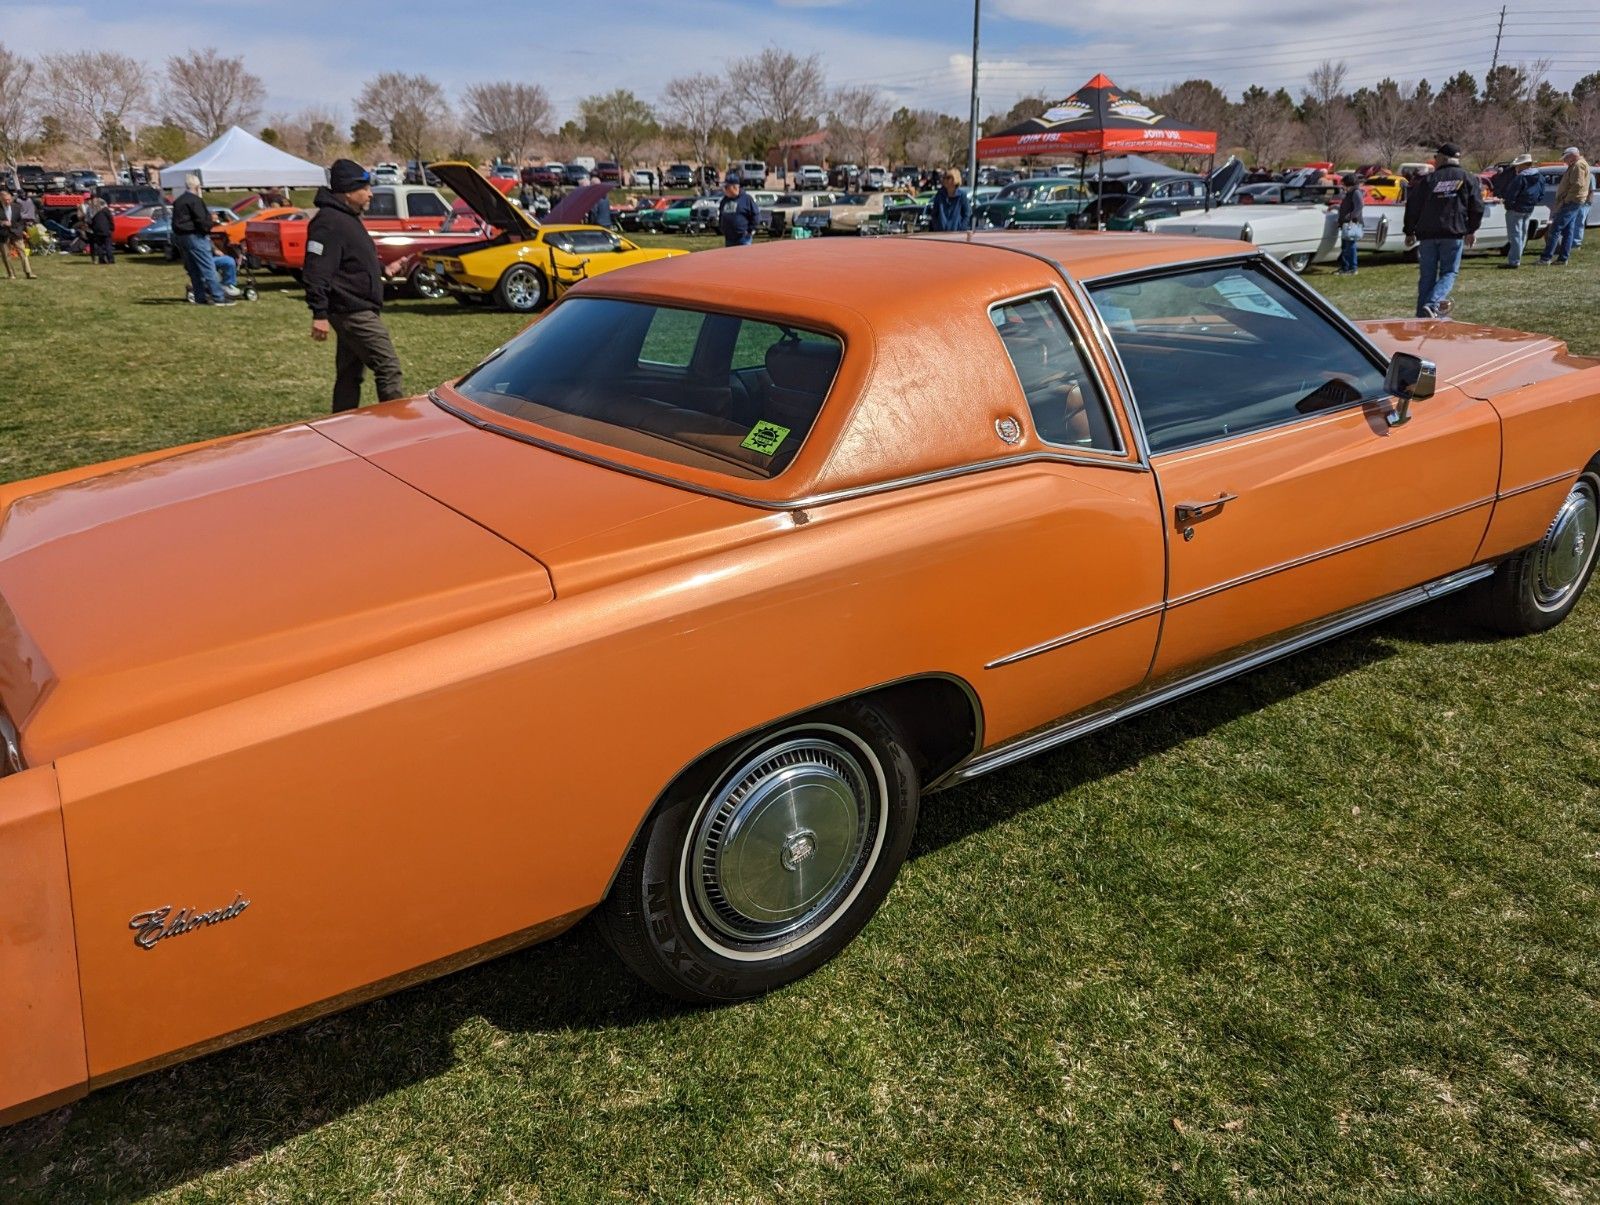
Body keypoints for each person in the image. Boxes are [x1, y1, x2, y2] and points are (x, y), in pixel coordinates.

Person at [304, 158, 405, 413]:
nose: (370, 194)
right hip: (352, 310)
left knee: (349, 374)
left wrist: (384, 270)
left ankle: (341, 425)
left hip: (356, 307)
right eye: (365, 188)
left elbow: (353, 259)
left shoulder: (347, 218)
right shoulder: (328, 222)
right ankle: (397, 428)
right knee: (388, 366)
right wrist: (319, 313)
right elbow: (316, 270)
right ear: (348, 191)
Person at [1402, 143, 1482, 319]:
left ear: (1443, 158)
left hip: (1428, 234)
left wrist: (1409, 231)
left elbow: (1413, 206)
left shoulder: (1429, 180)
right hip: (1453, 233)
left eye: (1436, 157)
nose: (1434, 160)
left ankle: (1423, 313)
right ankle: (1432, 305)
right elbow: (1476, 207)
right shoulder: (1468, 178)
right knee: (1449, 272)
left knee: (1427, 276)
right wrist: (1471, 230)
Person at [172, 174, 229, 306]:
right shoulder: (195, 200)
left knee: (194, 269)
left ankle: (200, 297)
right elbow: (201, 221)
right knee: (207, 267)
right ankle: (218, 296)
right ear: (197, 187)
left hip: (181, 237)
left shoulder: (179, 200)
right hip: (195, 236)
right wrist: (211, 222)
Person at [1490, 153, 1546, 268]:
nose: (1517, 167)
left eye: (1518, 165)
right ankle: (1517, 257)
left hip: (1516, 208)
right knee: (1523, 234)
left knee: (1515, 235)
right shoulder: (1540, 177)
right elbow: (1541, 194)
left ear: (1523, 165)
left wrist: (1508, 203)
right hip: (1529, 208)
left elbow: (1511, 193)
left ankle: (1514, 260)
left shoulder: (1521, 177)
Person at [1539, 146, 1592, 266]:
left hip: (1571, 201)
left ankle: (1546, 258)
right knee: (1568, 231)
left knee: (1555, 229)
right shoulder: (1579, 164)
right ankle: (1563, 258)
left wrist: (1566, 199)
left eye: (1566, 158)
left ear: (1572, 155)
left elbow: (1577, 184)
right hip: (1574, 201)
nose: (1565, 160)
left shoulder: (1578, 165)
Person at [0, 188, 38, 279]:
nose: (7, 202)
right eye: (5, 200)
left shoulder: (17, 207)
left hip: (16, 232)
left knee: (23, 253)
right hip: (3, 234)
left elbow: (21, 221)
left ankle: (29, 273)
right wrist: (2, 223)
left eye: (9, 199)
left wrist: (19, 230)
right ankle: (11, 274)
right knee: (6, 255)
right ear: (1, 199)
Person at [1334, 173, 1363, 275]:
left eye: (1344, 184)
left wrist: (1350, 217)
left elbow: (1359, 206)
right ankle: (1345, 267)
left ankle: (1352, 268)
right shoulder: (1349, 192)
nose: (1343, 186)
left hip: (1351, 223)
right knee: (1345, 247)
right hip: (1346, 223)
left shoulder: (1356, 192)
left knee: (1349, 247)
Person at [717, 176, 759, 247]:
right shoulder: (724, 201)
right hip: (729, 239)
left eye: (726, 187)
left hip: (743, 238)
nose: (724, 189)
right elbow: (721, 215)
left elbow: (755, 215)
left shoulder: (746, 199)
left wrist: (750, 230)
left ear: (734, 187)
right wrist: (722, 228)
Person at [87, 197, 115, 264]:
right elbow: (110, 219)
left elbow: (89, 221)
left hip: (97, 230)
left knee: (100, 246)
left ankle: (101, 260)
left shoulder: (92, 211)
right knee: (108, 245)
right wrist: (112, 228)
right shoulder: (105, 210)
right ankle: (110, 259)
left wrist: (92, 228)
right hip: (106, 229)